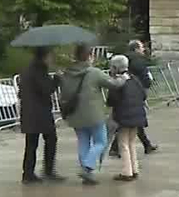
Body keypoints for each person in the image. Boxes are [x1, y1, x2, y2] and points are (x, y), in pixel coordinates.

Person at [58, 44, 125, 184]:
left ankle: (86, 170)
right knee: (101, 141)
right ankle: (88, 167)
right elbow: (113, 84)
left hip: (74, 114)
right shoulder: (94, 72)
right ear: (89, 56)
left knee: (83, 141)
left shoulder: (67, 73)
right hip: (93, 114)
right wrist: (123, 78)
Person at [18, 49, 62, 183]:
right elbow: (47, 89)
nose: (52, 59)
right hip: (40, 112)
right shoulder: (40, 71)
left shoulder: (27, 70)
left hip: (28, 111)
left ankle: (28, 173)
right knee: (51, 139)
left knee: (31, 143)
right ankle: (47, 170)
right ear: (44, 57)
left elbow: (21, 92)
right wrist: (57, 79)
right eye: (50, 56)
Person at [105, 54, 149, 182]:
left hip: (123, 116)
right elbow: (143, 94)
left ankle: (127, 172)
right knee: (131, 142)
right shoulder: (134, 78)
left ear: (115, 67)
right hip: (137, 114)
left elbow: (111, 100)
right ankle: (134, 169)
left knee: (123, 143)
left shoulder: (118, 82)